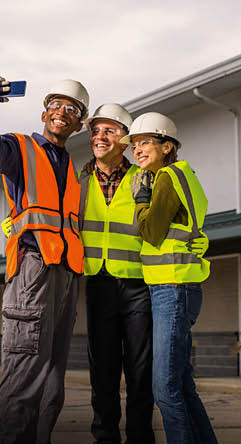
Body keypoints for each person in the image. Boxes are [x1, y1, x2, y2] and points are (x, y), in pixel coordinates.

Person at [0, 76, 87, 444]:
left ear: (79, 122)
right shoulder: (21, 148)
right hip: (32, 271)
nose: (62, 113)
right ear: (44, 112)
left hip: (66, 275)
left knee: (52, 386)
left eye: (71, 110)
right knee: (24, 378)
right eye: (56, 106)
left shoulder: (71, 167)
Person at [125, 112, 217, 444]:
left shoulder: (165, 177)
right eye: (134, 145)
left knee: (164, 387)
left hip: (172, 288)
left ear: (167, 146)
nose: (137, 150)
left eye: (144, 142)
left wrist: (140, 200)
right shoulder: (185, 175)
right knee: (182, 384)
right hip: (180, 286)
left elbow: (150, 232)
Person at [78, 103, 155, 444]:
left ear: (125, 138)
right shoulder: (79, 181)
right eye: (96, 131)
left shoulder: (145, 177)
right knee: (103, 371)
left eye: (109, 130)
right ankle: (104, 437)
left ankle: (140, 437)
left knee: (140, 370)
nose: (100, 137)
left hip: (139, 284)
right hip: (99, 282)